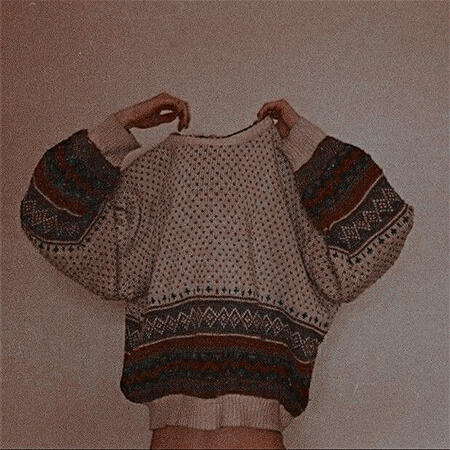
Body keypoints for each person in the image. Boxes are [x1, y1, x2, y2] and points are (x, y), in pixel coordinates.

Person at [115, 93, 291, 449]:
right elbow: (56, 223)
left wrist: (301, 139)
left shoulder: (287, 181)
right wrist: (123, 123)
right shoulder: (152, 181)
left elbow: (377, 233)